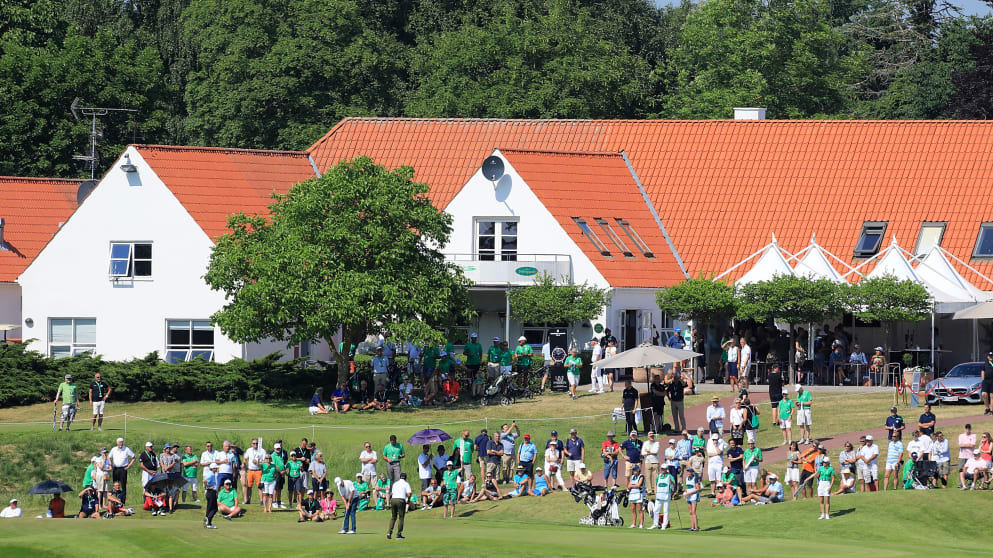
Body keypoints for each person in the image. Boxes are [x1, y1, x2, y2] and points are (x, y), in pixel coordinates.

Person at [387, 472, 412, 539]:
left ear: (400, 477)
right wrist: (408, 500)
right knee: (401, 517)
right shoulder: (406, 484)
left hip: (393, 500)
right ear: (406, 477)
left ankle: (389, 532)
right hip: (401, 500)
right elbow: (409, 494)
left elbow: (392, 493)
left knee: (393, 517)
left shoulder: (395, 483)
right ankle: (398, 534)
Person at [652, 466, 675, 530]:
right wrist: (655, 493)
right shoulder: (658, 476)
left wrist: (671, 482)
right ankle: (655, 524)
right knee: (655, 510)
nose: (662, 470)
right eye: (661, 469)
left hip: (666, 495)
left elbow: (674, 485)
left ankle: (664, 525)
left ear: (666, 469)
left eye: (664, 469)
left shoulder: (670, 476)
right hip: (659, 496)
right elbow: (656, 484)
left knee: (666, 511)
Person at [641, 431, 660, 498]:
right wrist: (651, 453)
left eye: (652, 436)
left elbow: (656, 451)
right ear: (648, 436)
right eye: (650, 436)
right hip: (647, 462)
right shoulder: (645, 443)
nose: (652, 437)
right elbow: (643, 453)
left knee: (656, 477)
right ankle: (649, 490)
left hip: (655, 462)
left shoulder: (657, 443)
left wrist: (648, 451)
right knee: (648, 477)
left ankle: (656, 490)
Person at [627, 464, 645, 529]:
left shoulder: (641, 476)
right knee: (633, 510)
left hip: (638, 494)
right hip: (632, 494)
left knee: (640, 510)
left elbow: (639, 485)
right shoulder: (632, 477)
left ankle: (641, 524)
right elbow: (629, 486)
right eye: (634, 470)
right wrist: (632, 486)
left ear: (638, 470)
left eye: (636, 470)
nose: (634, 471)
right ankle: (634, 524)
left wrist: (632, 486)